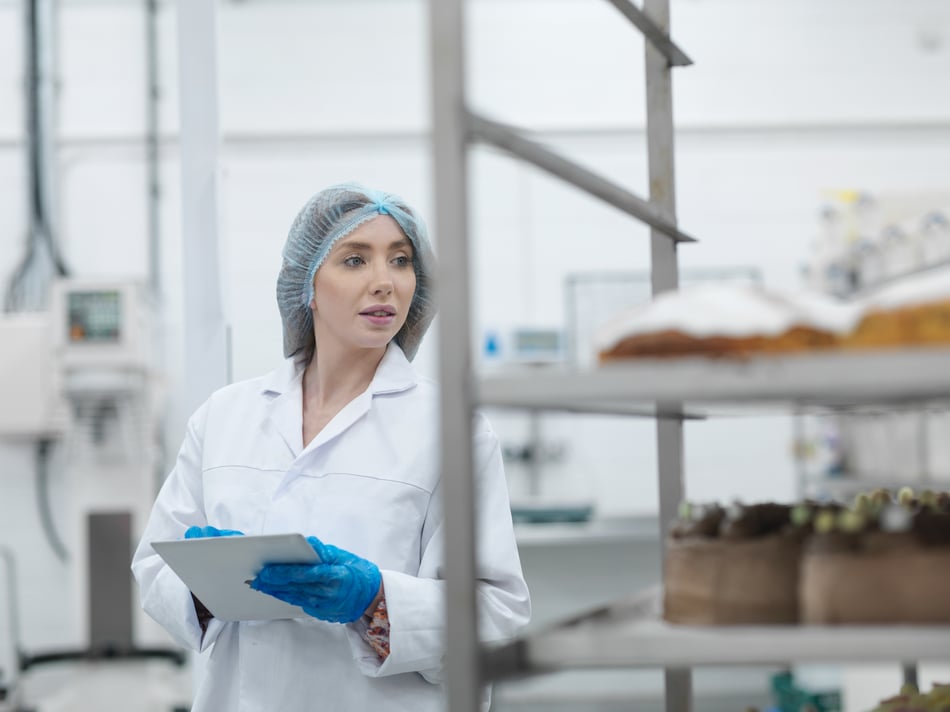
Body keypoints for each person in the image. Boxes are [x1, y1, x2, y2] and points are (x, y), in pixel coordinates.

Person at [131, 183, 531, 711]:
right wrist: (206, 586)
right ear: (307, 285)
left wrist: (375, 601)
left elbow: (496, 613)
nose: (384, 283)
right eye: (355, 259)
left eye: (401, 260)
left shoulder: (451, 430)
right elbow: (155, 568)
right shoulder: (225, 417)